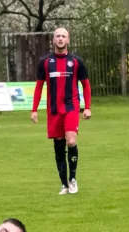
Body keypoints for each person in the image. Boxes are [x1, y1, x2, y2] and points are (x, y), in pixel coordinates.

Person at [31, 27, 92, 195]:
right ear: (53, 40)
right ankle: (64, 184)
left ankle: (73, 179)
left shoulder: (76, 61)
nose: (60, 38)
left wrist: (87, 107)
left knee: (71, 141)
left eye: (63, 36)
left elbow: (86, 85)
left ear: (68, 40)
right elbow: (38, 87)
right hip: (54, 110)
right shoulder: (45, 62)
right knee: (59, 147)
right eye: (57, 36)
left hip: (71, 107)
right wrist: (34, 109)